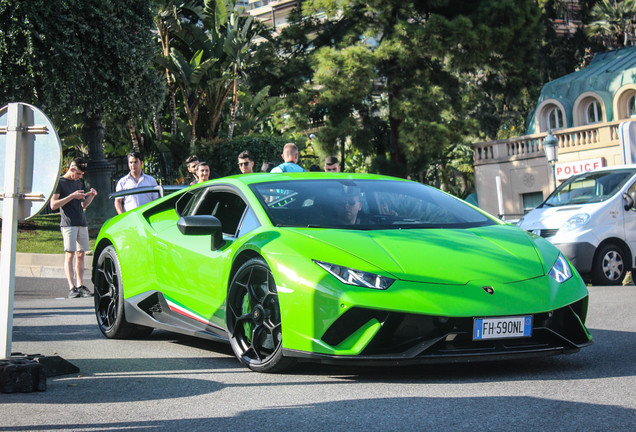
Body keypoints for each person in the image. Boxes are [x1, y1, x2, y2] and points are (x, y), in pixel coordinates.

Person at [49, 157, 97, 298]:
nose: (80, 177)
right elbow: (53, 205)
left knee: (81, 254)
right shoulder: (60, 182)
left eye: (81, 175)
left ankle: (80, 285)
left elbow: (83, 205)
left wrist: (91, 196)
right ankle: (72, 287)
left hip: (81, 222)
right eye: (78, 174)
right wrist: (71, 196)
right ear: (72, 169)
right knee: (70, 254)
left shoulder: (77, 182)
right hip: (68, 224)